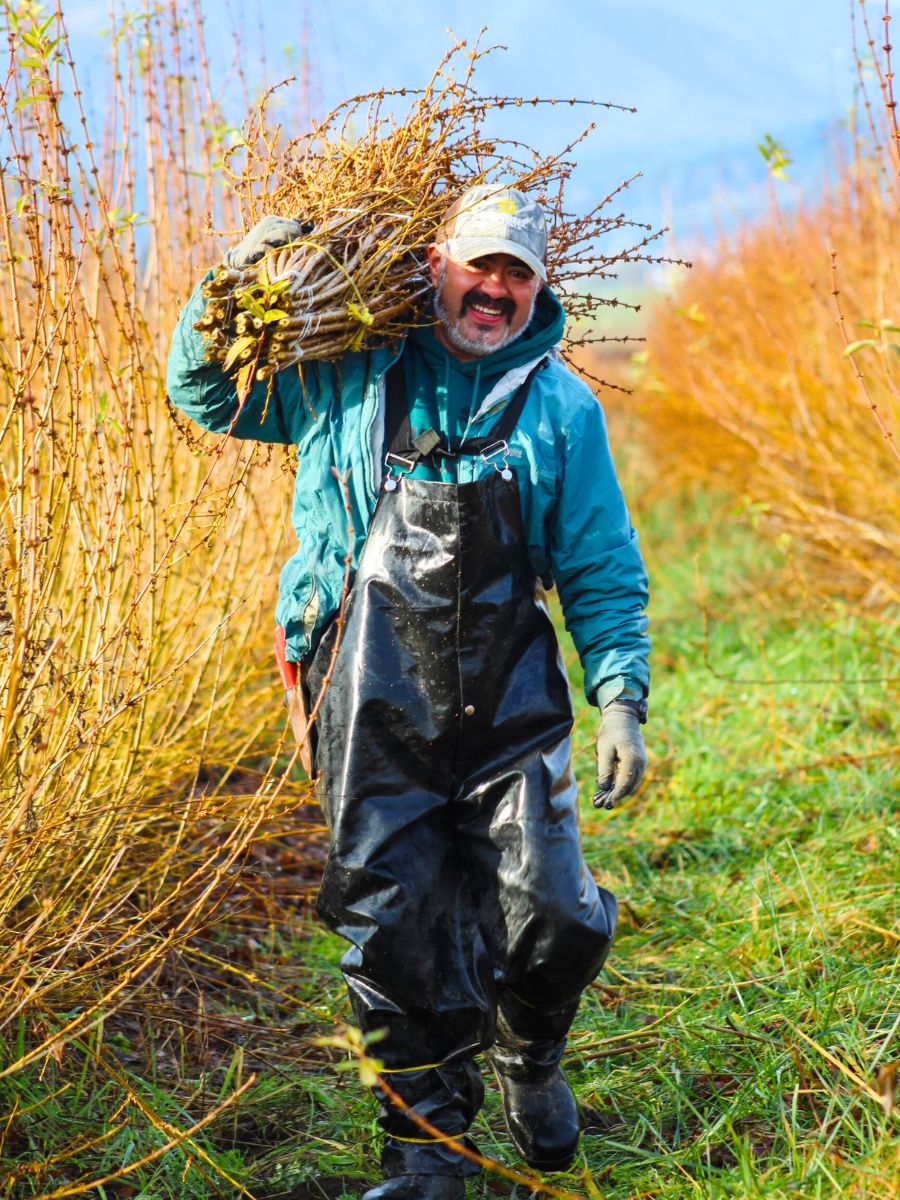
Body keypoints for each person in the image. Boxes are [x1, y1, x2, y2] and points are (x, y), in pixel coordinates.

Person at [167, 186, 650, 1200]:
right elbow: (203, 395)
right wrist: (231, 286)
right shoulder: (345, 372)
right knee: (395, 924)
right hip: (362, 686)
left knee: (555, 914)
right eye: (481, 266)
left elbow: (601, 564)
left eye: (518, 273)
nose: (496, 289)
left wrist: (620, 697)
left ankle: (527, 1052)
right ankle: (427, 1149)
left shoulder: (558, 408)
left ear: (539, 290)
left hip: (510, 700)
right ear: (435, 264)